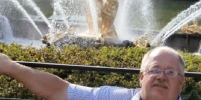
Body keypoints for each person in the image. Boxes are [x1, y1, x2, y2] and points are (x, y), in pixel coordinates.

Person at [0, 46, 185, 100]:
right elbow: (59, 90)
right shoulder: (110, 97)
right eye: (155, 70)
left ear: (181, 83)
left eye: (170, 72)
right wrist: (10, 67)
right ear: (141, 77)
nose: (161, 76)